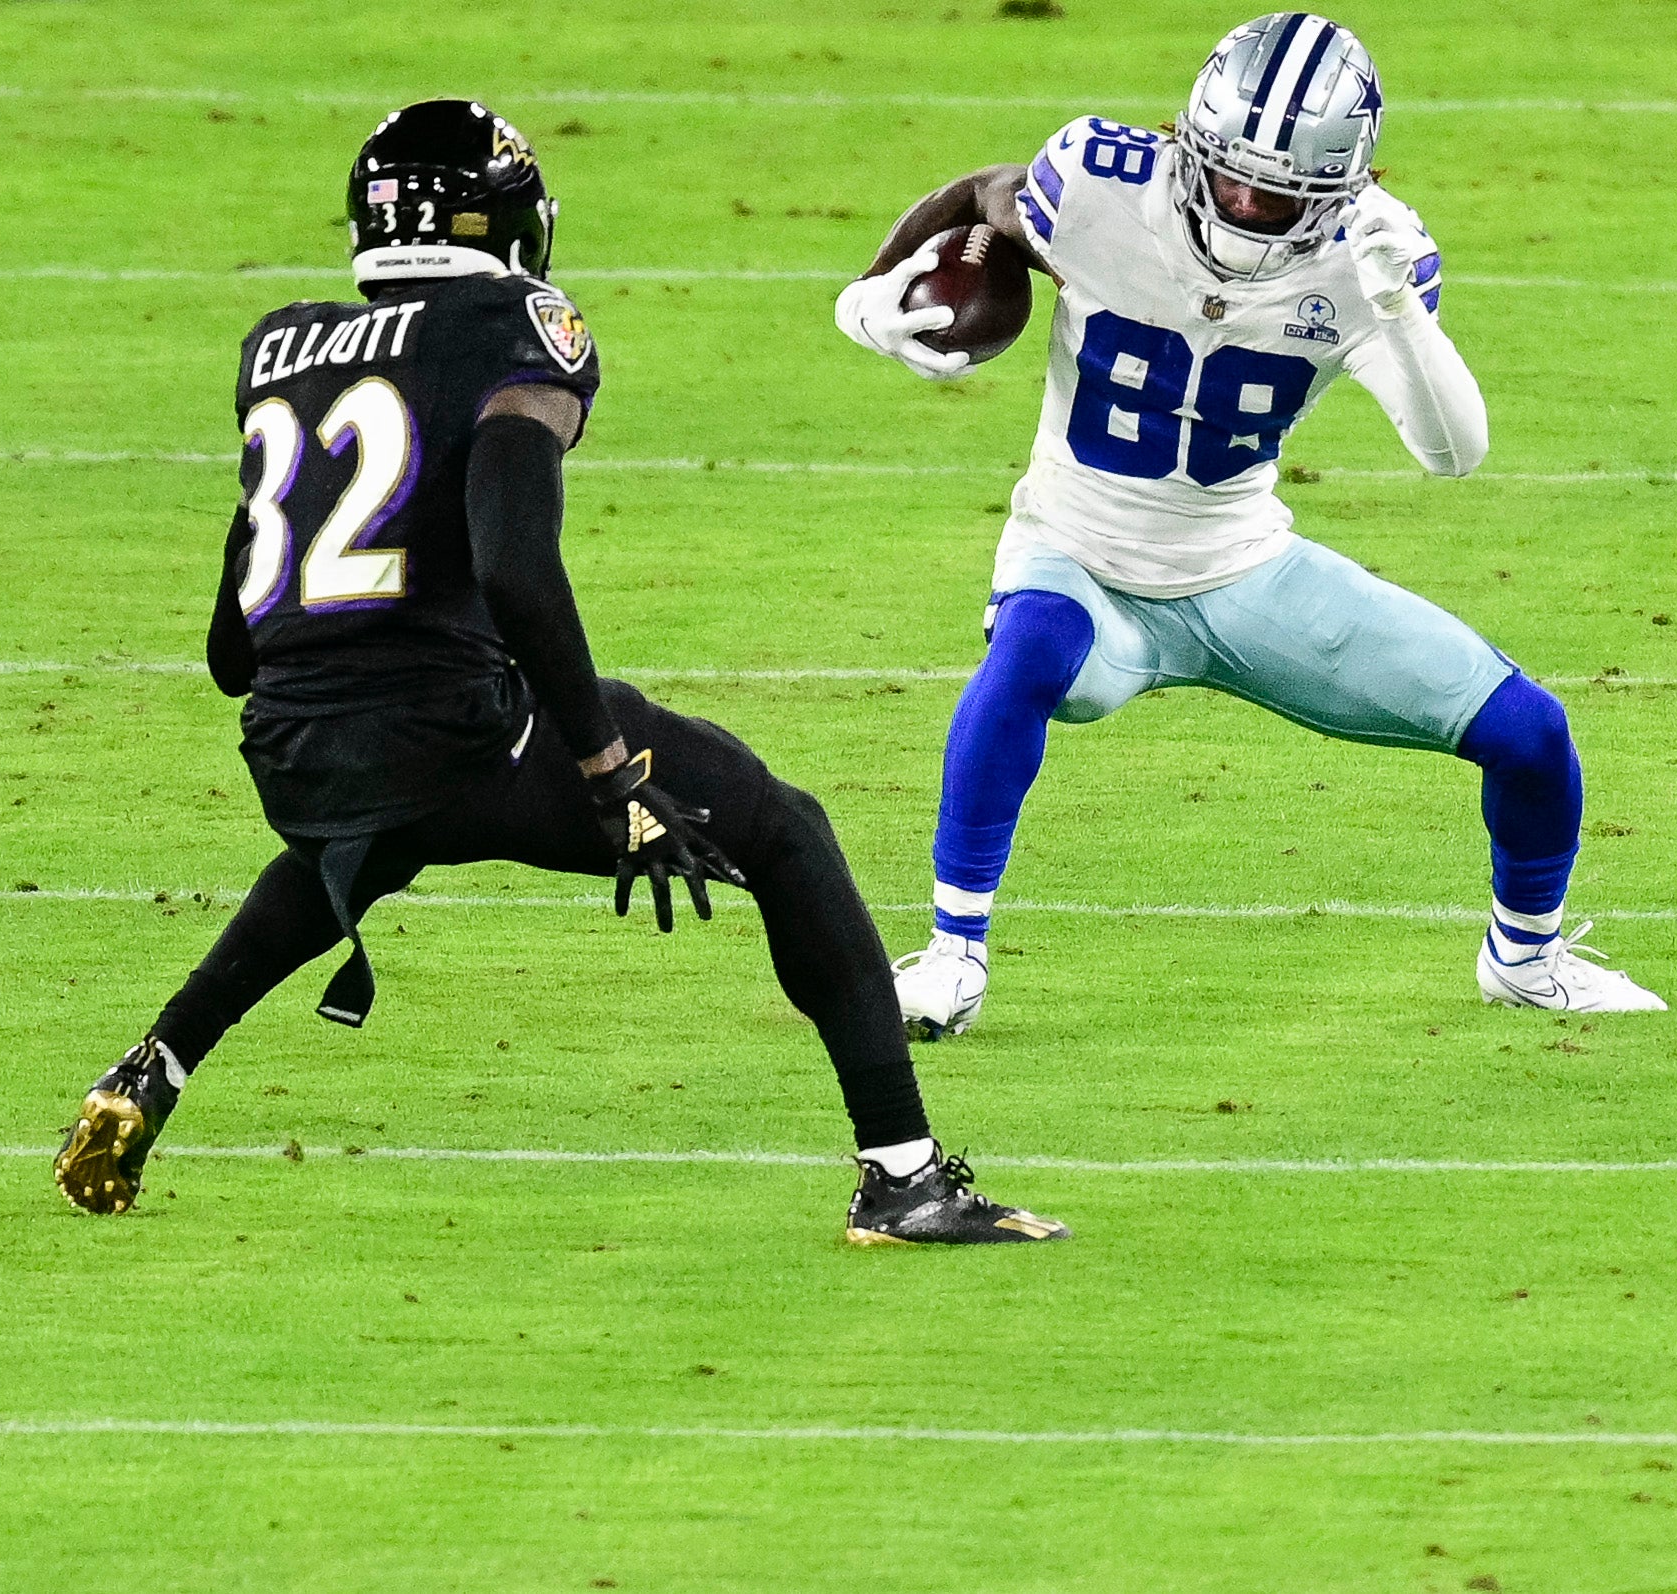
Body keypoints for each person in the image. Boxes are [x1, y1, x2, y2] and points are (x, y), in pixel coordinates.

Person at [54, 99, 1067, 1246]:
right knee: (783, 831)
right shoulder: (512, 324)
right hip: (456, 728)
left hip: (292, 745)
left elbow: (229, 651)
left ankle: (151, 1067)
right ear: (503, 225)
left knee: (373, 830)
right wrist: (608, 770)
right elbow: (517, 564)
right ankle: (903, 1175)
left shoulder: (280, 345)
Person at [832, 14, 1664, 1037]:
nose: (1245, 205)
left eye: (1278, 193)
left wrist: (1396, 308)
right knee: (1029, 653)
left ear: (1340, 187)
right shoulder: (1098, 181)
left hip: (1242, 565)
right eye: (1229, 177)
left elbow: (1454, 455)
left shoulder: (1369, 255)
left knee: (1531, 733)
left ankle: (1525, 961)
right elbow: (982, 199)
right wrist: (867, 290)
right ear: (1190, 141)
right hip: (1079, 550)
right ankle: (950, 956)